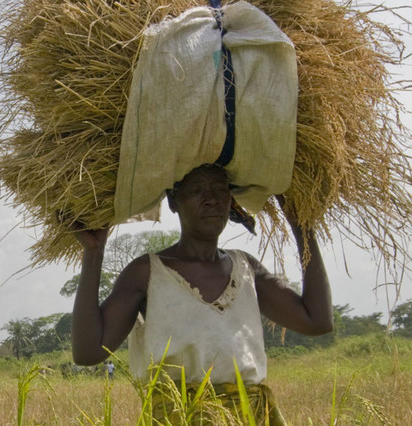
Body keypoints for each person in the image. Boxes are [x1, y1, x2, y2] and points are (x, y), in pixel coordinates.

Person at [72, 164, 333, 425]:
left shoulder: (246, 268)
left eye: (221, 189)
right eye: (196, 190)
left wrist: (303, 229)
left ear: (231, 200)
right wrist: (94, 253)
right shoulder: (148, 272)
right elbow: (88, 353)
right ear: (174, 201)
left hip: (251, 417)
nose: (212, 199)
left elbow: (317, 321)